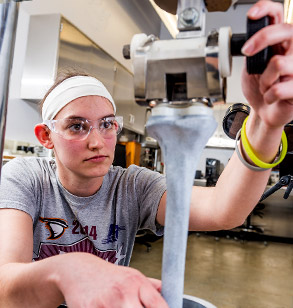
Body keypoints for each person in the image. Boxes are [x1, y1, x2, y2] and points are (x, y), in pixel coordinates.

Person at [0, 0, 293, 307]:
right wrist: (68, 271)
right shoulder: (26, 179)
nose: (97, 141)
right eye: (77, 126)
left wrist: (266, 122)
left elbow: (223, 209)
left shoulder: (132, 187)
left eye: (107, 124)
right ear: (46, 135)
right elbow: (6, 287)